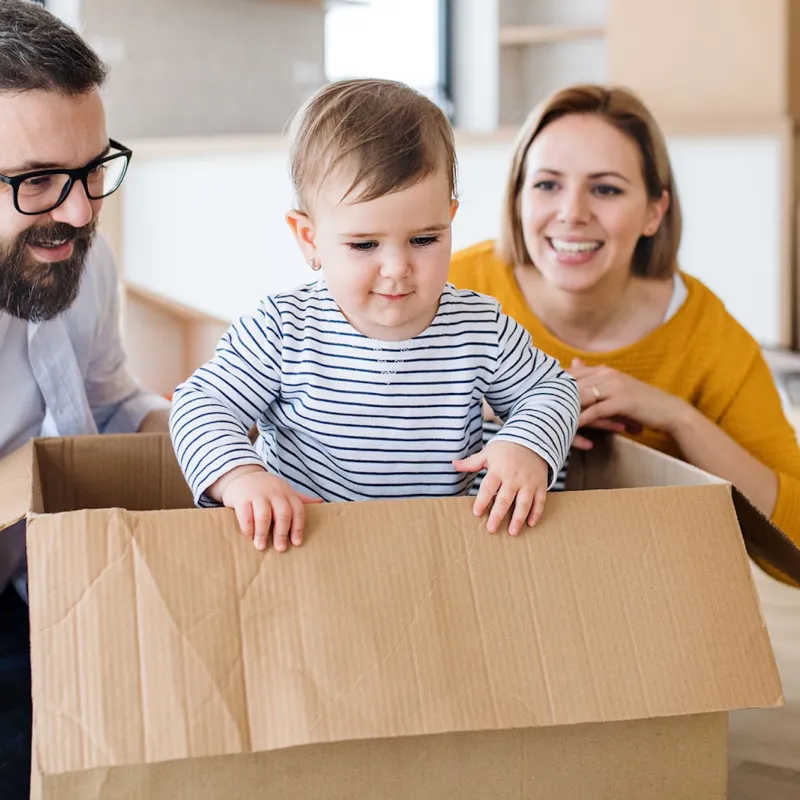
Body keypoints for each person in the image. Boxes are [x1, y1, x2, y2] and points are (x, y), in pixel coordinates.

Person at [170, 78, 580, 553]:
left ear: (450, 220)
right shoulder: (283, 329)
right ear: (310, 238)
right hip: (305, 546)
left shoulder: (478, 328)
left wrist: (525, 445)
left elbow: (552, 390)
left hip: (437, 551)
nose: (397, 268)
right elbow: (200, 404)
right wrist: (241, 477)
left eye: (425, 240)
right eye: (365, 245)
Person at [448, 83, 800, 586]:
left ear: (655, 211)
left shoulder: (706, 333)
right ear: (518, 196)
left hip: (636, 597)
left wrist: (678, 417)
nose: (572, 212)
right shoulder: (450, 291)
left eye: (606, 189)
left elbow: (795, 547)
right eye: (547, 184)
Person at [0, 2, 171, 796]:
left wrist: (210, 434)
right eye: (36, 182)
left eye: (93, 169)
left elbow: (107, 398)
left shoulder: (78, 259)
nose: (78, 210)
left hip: (48, 595)